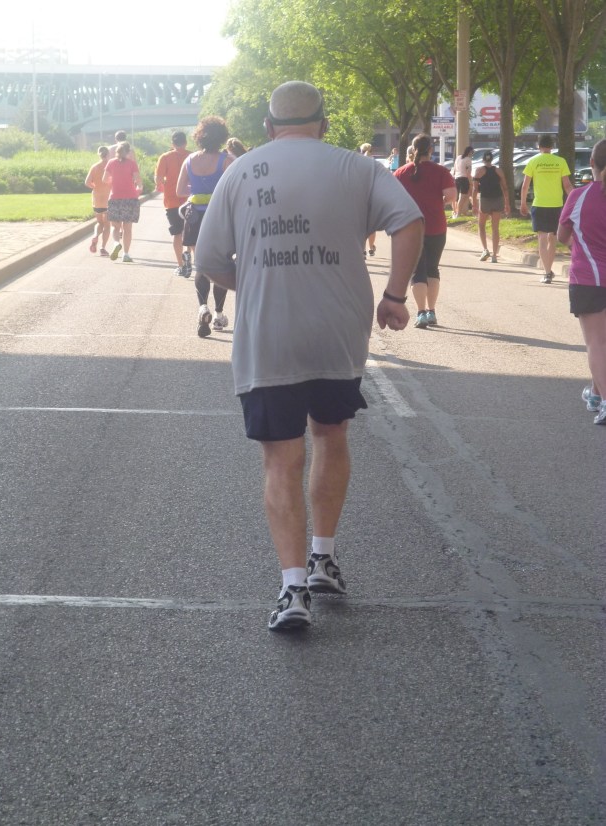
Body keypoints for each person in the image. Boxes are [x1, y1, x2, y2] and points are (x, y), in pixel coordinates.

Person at [194, 80, 424, 631]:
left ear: (270, 128)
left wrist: (251, 285)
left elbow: (207, 256)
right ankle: (324, 556)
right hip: (338, 329)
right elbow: (410, 220)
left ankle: (292, 589)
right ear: (323, 124)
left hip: (269, 332)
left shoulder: (240, 170)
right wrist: (395, 294)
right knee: (331, 434)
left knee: (280, 457)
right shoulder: (357, 167)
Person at [557, 139, 606, 426]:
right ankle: (596, 394)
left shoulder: (579, 196)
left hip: (589, 279)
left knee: (596, 342)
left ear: (592, 164)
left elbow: (562, 237)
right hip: (591, 279)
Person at [176, 116, 234, 336]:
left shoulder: (189, 160)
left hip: (195, 217)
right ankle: (219, 315)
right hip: (219, 217)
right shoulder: (226, 160)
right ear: (222, 137)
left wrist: (197, 188)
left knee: (201, 264)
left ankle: (203, 307)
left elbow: (180, 191)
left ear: (199, 136)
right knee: (222, 263)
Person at [394, 132, 456, 328]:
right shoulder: (441, 172)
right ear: (431, 150)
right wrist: (438, 202)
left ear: (412, 150)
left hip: (410, 228)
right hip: (436, 226)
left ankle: (420, 313)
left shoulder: (401, 172)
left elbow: (392, 198)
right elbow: (452, 196)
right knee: (432, 269)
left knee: (417, 272)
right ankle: (431, 311)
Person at [520, 134, 573, 284]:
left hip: (539, 204)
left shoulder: (533, 161)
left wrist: (523, 203)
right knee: (552, 239)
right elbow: (567, 185)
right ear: (552, 145)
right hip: (556, 205)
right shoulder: (560, 161)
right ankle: (549, 270)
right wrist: (575, 200)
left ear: (538, 146)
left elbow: (525, 186)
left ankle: (547, 272)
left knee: (542, 238)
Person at [154, 131, 192, 277]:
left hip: (172, 200)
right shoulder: (192, 156)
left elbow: (158, 179)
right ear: (185, 142)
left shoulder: (165, 157)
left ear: (172, 143)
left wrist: (165, 183)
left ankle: (181, 266)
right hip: (190, 199)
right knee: (190, 231)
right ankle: (188, 254)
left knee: (177, 233)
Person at [102, 141, 142, 263]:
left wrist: (113, 183)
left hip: (115, 197)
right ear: (128, 152)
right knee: (127, 228)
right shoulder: (132, 164)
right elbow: (138, 181)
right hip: (130, 198)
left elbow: (104, 179)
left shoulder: (111, 163)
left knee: (115, 226)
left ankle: (115, 243)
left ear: (116, 152)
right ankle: (125, 254)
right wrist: (138, 188)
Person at [473, 150, 510, 263]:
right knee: (495, 228)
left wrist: (474, 203)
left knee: (481, 225)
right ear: (492, 159)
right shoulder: (498, 171)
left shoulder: (479, 171)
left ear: (483, 159)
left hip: (485, 200)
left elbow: (475, 189)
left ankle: (485, 249)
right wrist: (507, 203)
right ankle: (494, 255)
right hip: (498, 199)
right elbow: (505, 188)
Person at [84, 146, 111, 256]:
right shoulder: (110, 166)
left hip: (97, 198)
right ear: (108, 154)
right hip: (108, 198)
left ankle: (95, 236)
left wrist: (95, 186)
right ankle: (103, 248)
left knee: (99, 222)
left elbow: (87, 182)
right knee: (107, 225)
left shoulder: (94, 167)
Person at [359, 143, 377, 256]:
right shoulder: (374, 164)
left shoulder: (356, 163)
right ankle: (371, 247)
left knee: (361, 225)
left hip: (359, 197)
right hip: (372, 197)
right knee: (371, 225)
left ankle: (363, 249)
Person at [453, 146, 474, 217]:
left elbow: (455, 168)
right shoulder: (468, 159)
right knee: (462, 197)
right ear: (470, 152)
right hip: (464, 179)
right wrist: (470, 181)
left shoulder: (458, 157)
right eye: (472, 152)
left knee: (457, 197)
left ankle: (456, 212)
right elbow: (468, 172)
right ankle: (458, 213)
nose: (472, 154)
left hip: (457, 178)